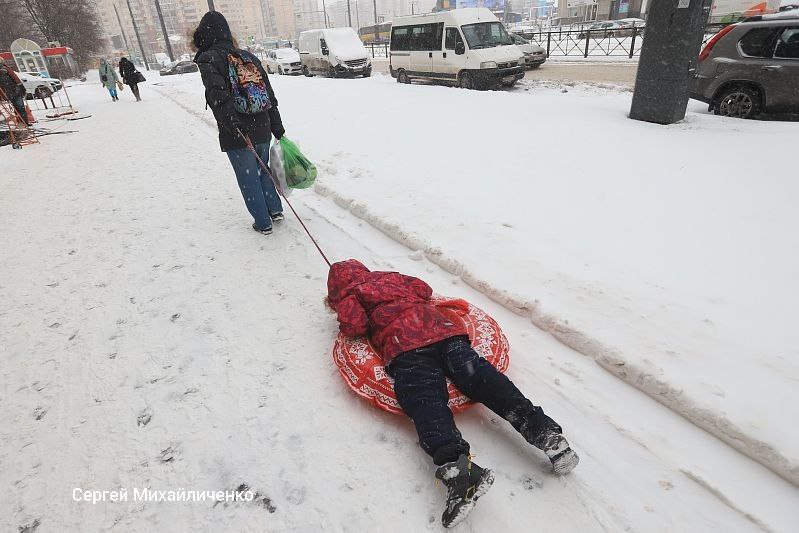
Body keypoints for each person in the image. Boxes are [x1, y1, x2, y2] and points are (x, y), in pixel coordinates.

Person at [326, 259, 579, 529]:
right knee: (483, 379)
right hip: (445, 333)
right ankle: (545, 432)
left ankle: (459, 470)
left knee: (424, 399)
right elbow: (424, 289)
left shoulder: (351, 294)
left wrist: (345, 306)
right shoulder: (392, 276)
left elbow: (354, 327)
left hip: (406, 347)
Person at [193, 11, 285, 235]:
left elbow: (218, 96)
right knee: (263, 169)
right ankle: (275, 210)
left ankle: (263, 223)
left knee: (248, 177)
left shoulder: (209, 59)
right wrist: (276, 125)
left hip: (237, 131)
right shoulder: (248, 57)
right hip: (262, 124)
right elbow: (268, 93)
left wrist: (234, 125)